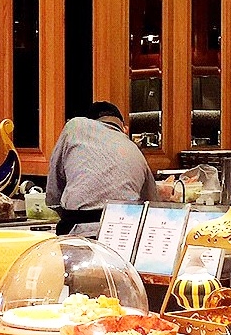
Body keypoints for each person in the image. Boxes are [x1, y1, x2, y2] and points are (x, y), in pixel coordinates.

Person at [46, 101, 159, 235]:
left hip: (78, 231)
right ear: (124, 128)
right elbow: (152, 205)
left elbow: (53, 195)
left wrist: (65, 212)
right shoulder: (134, 148)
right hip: (124, 232)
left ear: (93, 122)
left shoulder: (76, 126)